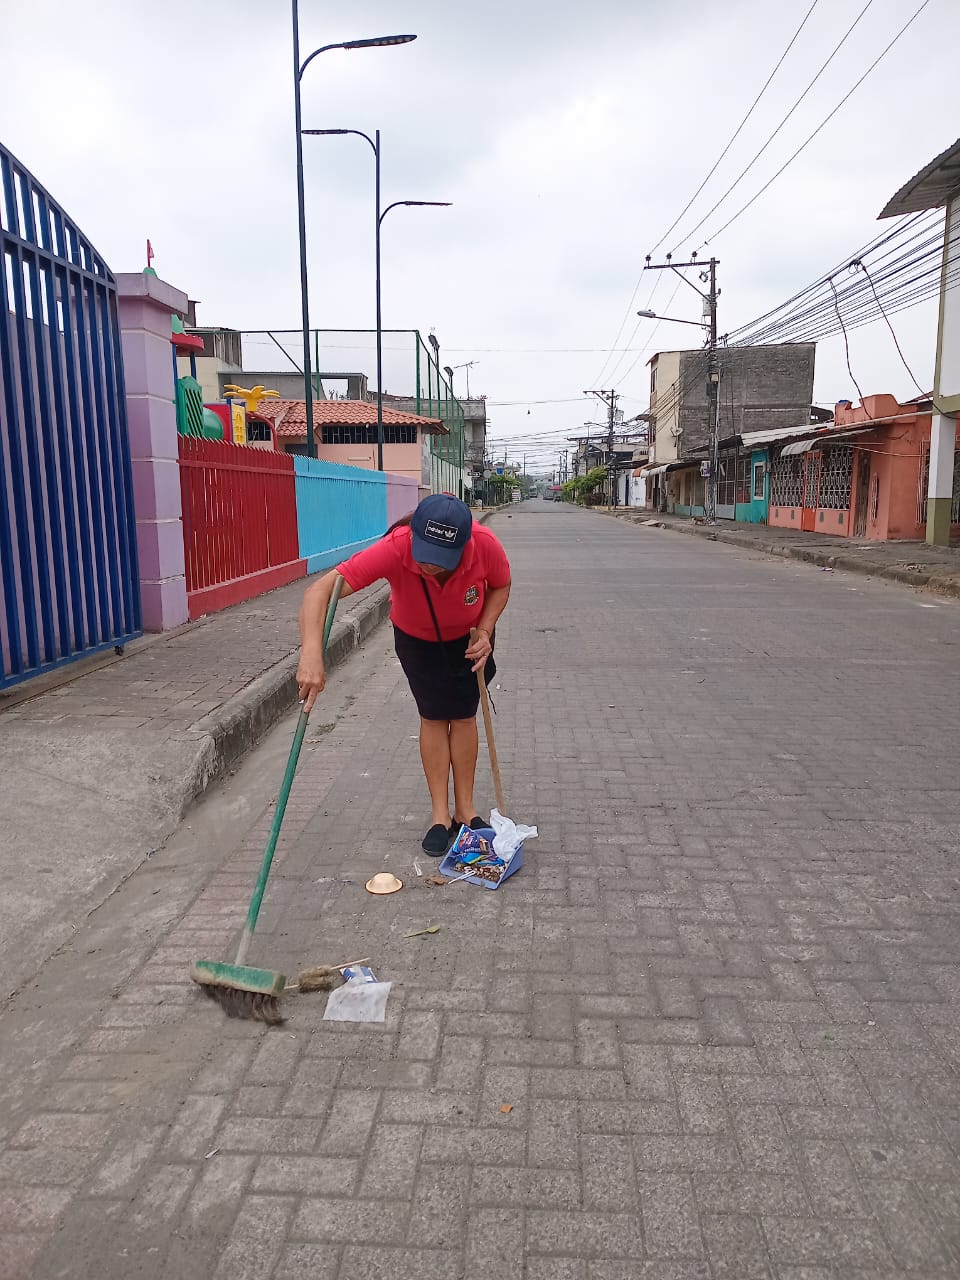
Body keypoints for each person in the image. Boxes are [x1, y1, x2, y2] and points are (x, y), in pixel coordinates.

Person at [297, 493, 512, 855]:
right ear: (413, 536)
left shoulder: (484, 544)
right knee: (433, 716)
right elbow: (319, 593)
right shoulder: (395, 547)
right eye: (425, 556)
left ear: (464, 545)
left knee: (463, 717)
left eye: (442, 560)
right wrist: (311, 654)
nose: (431, 567)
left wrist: (486, 630)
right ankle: (440, 816)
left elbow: (502, 584)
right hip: (417, 641)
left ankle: (465, 809)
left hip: (469, 640)